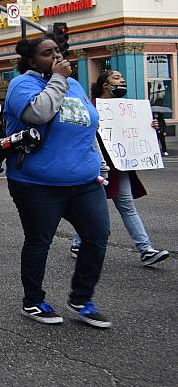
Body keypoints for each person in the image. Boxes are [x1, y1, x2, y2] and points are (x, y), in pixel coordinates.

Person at [4, 36, 112, 329]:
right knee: (40, 241)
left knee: (97, 235)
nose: (56, 55)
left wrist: (99, 165)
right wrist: (57, 79)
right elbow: (39, 113)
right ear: (31, 61)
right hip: (37, 183)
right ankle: (33, 301)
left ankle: (81, 297)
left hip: (84, 181)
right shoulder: (22, 85)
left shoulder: (74, 85)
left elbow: (88, 126)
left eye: (58, 51)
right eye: (46, 53)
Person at [69, 70, 169, 266]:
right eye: (116, 78)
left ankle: (145, 249)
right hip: (96, 165)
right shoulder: (90, 106)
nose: (122, 80)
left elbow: (134, 132)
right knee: (91, 206)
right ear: (105, 85)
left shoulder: (129, 109)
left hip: (120, 165)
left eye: (122, 78)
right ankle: (78, 243)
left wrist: (149, 127)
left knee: (126, 205)